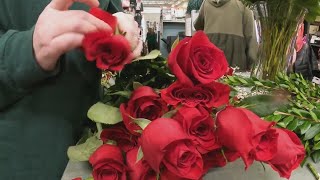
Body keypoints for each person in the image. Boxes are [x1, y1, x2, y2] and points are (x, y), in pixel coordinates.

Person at [0, 0, 142, 179]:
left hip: (92, 150)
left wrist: (123, 28)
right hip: (24, 157)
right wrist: (28, 48)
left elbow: (110, 17)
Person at [194, 0, 258, 71]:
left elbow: (197, 26)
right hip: (235, 61)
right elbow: (251, 37)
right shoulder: (243, 3)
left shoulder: (206, 3)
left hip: (210, 63)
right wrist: (253, 65)